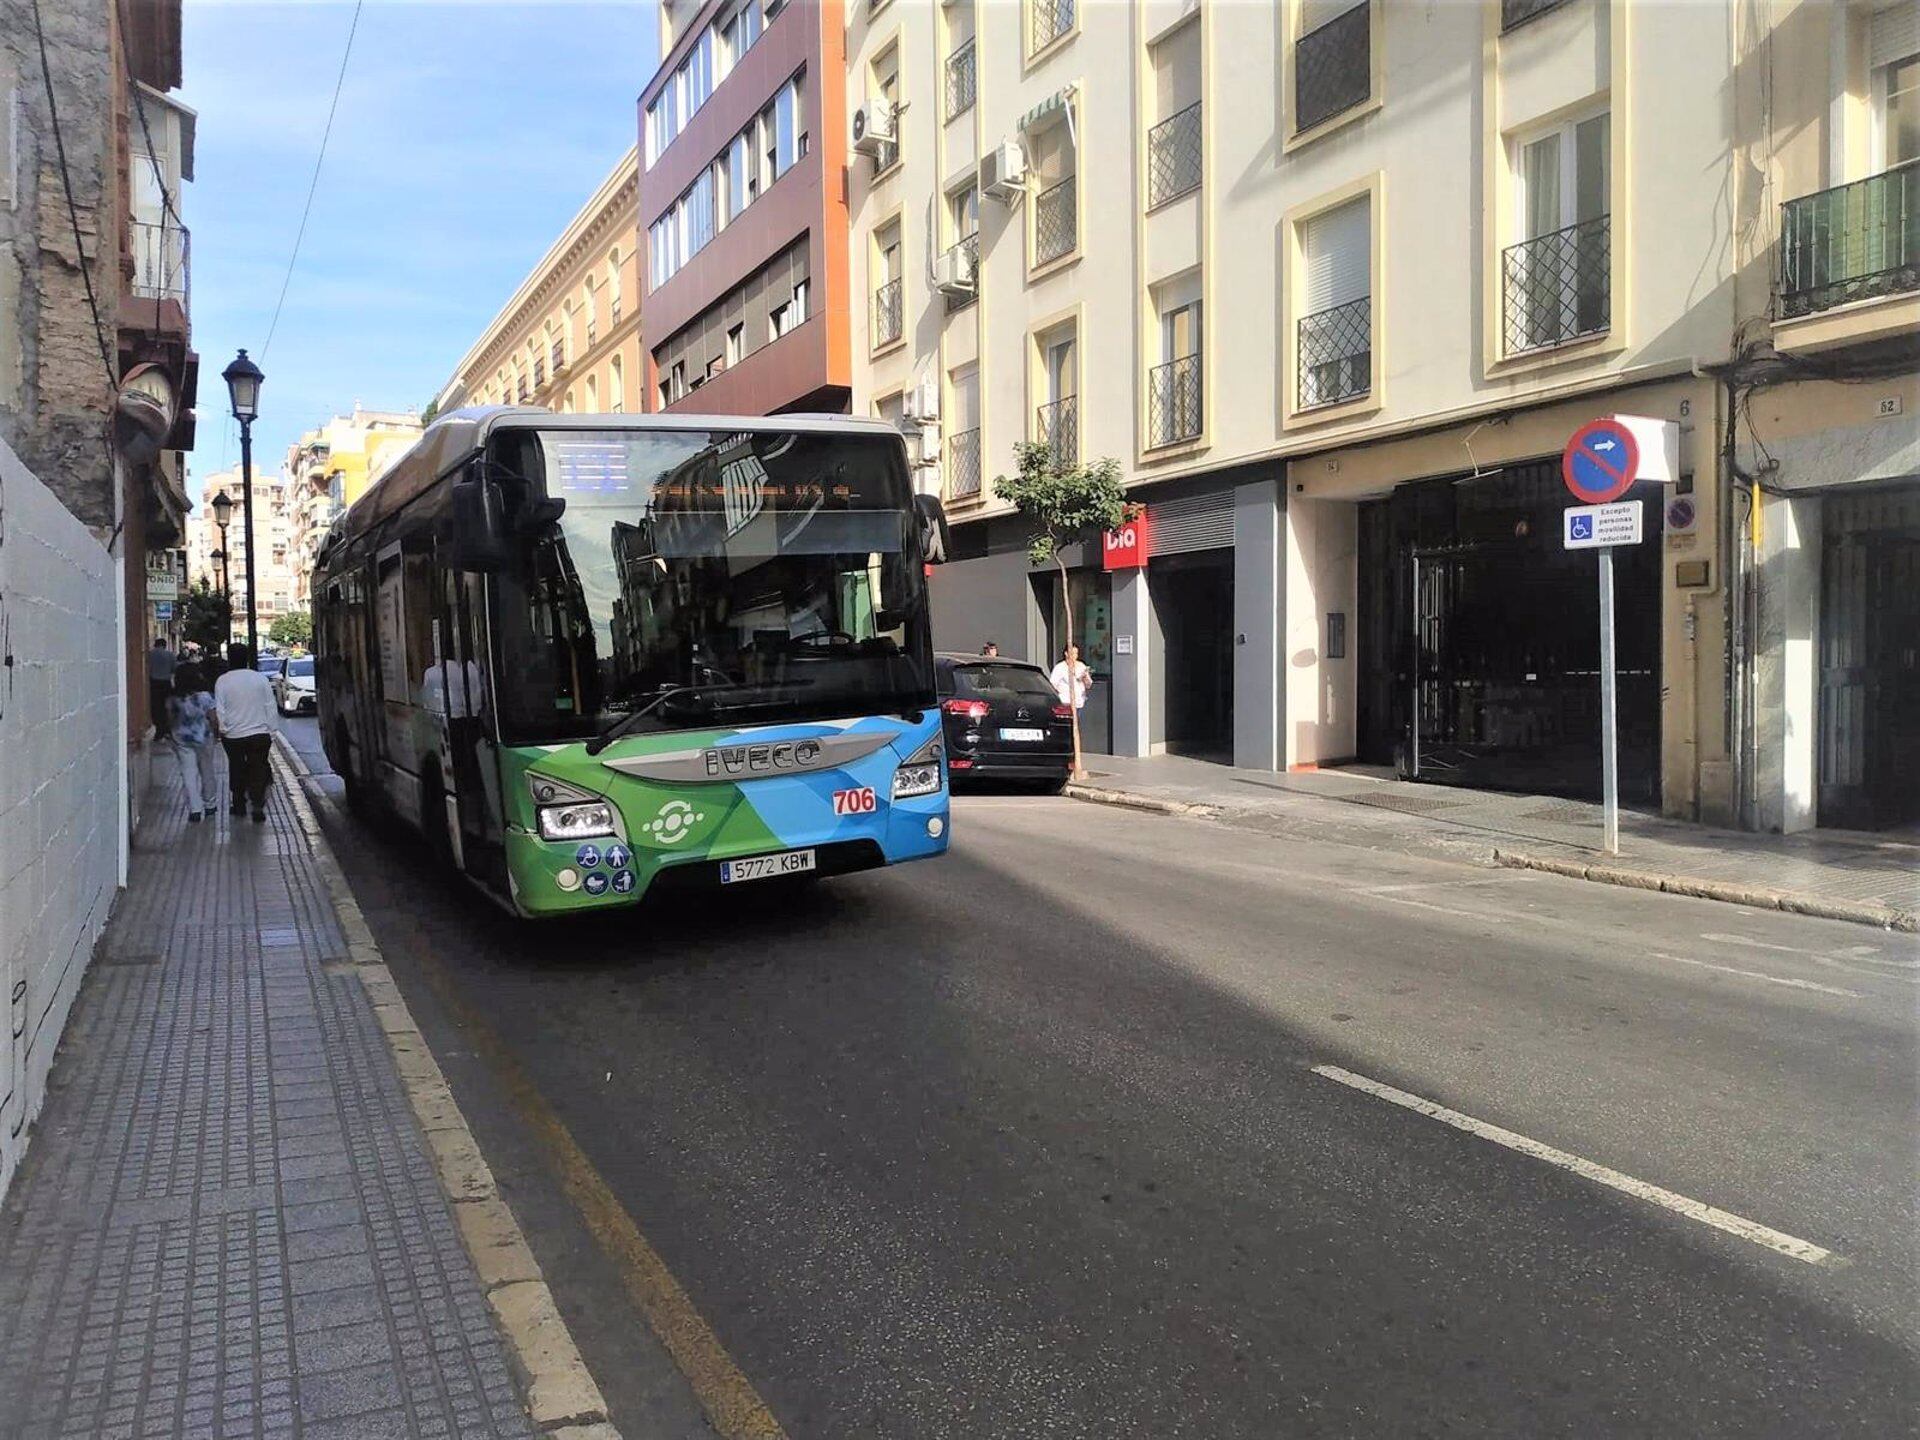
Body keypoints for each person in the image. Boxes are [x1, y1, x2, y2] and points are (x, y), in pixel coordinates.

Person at [213, 642, 279, 822]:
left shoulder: (223, 681)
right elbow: (270, 706)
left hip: (233, 735)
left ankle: (239, 803)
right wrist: (272, 731)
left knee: (236, 768)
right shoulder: (260, 679)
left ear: (230, 659)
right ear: (247, 659)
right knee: (257, 769)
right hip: (259, 734)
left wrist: (223, 729)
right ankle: (257, 805)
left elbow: (221, 709)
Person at [167, 664, 218, 824]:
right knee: (207, 770)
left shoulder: (173, 699)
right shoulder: (205, 697)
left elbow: (169, 719)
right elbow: (213, 717)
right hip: (203, 737)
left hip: (181, 738)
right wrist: (217, 733)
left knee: (188, 773)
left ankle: (195, 809)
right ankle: (210, 804)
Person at [148, 637, 178, 739]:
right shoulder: (170, 655)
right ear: (164, 645)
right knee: (167, 706)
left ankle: (159, 729)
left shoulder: (150, 655)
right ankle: (166, 728)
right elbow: (174, 669)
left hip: (154, 683)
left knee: (156, 706)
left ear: (155, 644)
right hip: (166, 683)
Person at [1049, 643, 1093, 710]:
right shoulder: (1060, 667)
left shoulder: (1081, 666)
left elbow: (1088, 685)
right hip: (1066, 703)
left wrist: (1085, 678)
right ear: (1066, 653)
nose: (1074, 656)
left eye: (1076, 653)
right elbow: (1052, 685)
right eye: (1072, 653)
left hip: (1079, 702)